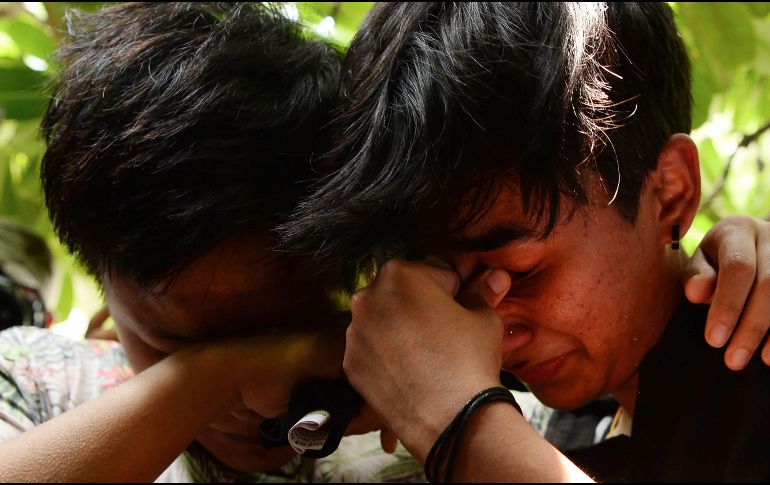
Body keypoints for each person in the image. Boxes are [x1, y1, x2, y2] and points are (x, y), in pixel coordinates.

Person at [282, 2, 770, 481]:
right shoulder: (570, 424)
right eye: (447, 291)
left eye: (520, 271)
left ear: (670, 193)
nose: (493, 332)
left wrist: (458, 422)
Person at [0, 3, 423, 482]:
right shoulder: (32, 379)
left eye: (284, 334)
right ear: (105, 291)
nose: (254, 402)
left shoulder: (456, 428)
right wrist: (214, 380)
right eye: (175, 345)